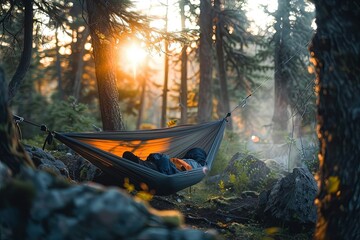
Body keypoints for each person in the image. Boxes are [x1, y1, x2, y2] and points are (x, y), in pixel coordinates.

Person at [122, 148, 207, 175]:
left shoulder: (195, 164)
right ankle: (137, 162)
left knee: (153, 165)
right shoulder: (199, 167)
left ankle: (137, 162)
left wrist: (174, 160)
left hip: (168, 169)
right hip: (167, 170)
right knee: (151, 166)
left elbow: (187, 167)